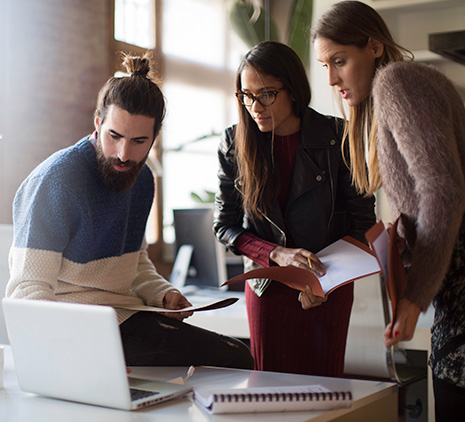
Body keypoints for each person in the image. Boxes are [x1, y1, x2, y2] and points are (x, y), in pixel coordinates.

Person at [6, 52, 254, 370]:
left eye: (139, 141)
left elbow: (133, 265)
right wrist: (73, 354)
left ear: (154, 138)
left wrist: (162, 293)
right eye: (114, 136)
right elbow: (28, 291)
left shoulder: (143, 179)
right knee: (231, 361)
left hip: (127, 318)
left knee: (236, 356)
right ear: (98, 122)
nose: (124, 154)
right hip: (77, 328)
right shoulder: (56, 180)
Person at [312, 1, 465, 419]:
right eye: (324, 65)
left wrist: (415, 297)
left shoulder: (397, 82)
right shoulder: (407, 87)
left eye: (339, 61)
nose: (332, 79)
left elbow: (443, 192)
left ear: (374, 47)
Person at [213, 41, 376, 376]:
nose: (254, 106)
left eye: (266, 94)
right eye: (246, 95)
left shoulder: (338, 137)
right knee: (270, 393)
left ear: (294, 90)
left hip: (327, 288)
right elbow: (225, 226)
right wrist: (276, 254)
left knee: (325, 394)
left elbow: (363, 224)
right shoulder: (233, 143)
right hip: (268, 291)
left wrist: (322, 284)